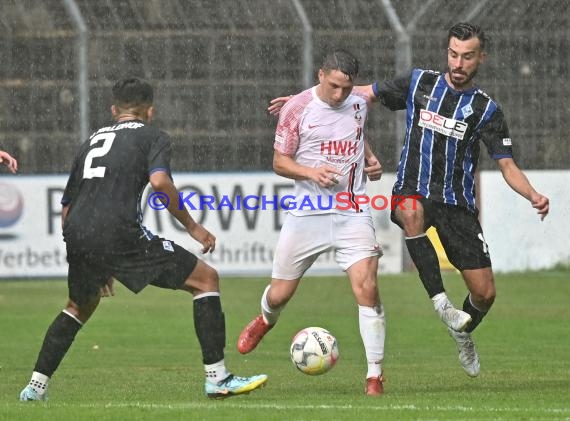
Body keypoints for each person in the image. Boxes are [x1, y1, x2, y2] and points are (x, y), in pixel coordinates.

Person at [268, 23, 550, 378]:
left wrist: (533, 194)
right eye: (453, 54)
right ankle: (441, 302)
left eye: (467, 56)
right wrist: (302, 100)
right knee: (410, 210)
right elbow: (356, 91)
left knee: (484, 294)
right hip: (411, 189)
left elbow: (507, 165)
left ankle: (461, 332)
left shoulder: (486, 110)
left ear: (481, 58)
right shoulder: (420, 83)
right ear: (447, 52)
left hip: (456, 205)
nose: (458, 63)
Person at [19, 78, 267, 401]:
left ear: (113, 110)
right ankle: (218, 378)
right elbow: (160, 182)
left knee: (80, 305)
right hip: (117, 231)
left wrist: (92, 257)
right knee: (206, 279)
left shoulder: (91, 140)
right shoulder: (153, 136)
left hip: (78, 232)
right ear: (150, 111)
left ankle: (35, 388)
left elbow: (66, 208)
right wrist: (193, 227)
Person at [237, 50, 387, 396]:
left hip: (352, 209)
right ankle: (265, 320)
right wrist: (311, 172)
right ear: (320, 75)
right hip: (307, 211)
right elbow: (279, 162)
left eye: (346, 88)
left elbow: (356, 133)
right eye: (334, 86)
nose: (339, 95)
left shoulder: (359, 102)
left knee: (367, 287)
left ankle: (374, 376)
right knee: (279, 294)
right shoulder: (296, 109)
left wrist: (369, 158)